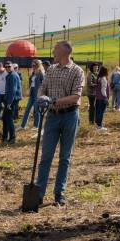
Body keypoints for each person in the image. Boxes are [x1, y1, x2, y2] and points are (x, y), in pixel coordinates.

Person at [36, 41, 86, 207]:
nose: (53, 52)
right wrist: (42, 97)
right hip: (52, 116)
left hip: (70, 116)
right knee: (46, 156)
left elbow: (76, 97)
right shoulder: (51, 69)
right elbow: (43, 88)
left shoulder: (77, 71)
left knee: (65, 157)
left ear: (65, 52)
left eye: (55, 49)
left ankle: (59, 193)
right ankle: (38, 193)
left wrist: (53, 100)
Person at [21, 60, 45, 128]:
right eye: (32, 65)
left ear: (38, 65)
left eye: (34, 65)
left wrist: (41, 93)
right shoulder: (33, 73)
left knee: (37, 110)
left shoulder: (41, 73)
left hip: (38, 93)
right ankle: (23, 125)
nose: (33, 67)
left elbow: (44, 83)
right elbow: (31, 83)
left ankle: (36, 126)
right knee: (27, 109)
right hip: (32, 92)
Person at [2, 62, 22, 143]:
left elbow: (13, 90)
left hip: (12, 100)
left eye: (9, 66)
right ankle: (5, 137)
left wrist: (9, 102)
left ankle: (12, 138)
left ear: (12, 67)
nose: (7, 68)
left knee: (9, 119)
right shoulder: (9, 75)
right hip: (9, 99)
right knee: (5, 118)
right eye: (6, 67)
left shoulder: (13, 75)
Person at [93, 66, 110, 130]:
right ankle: (100, 126)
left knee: (98, 111)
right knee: (101, 112)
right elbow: (103, 90)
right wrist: (106, 98)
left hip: (98, 98)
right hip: (102, 98)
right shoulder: (103, 79)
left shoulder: (99, 78)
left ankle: (98, 124)